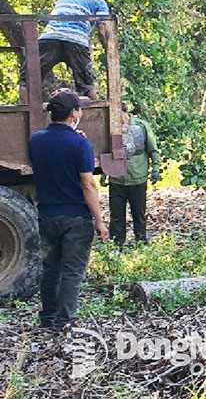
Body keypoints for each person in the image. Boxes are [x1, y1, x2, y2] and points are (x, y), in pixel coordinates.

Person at [28, 89, 109, 329]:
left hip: (46, 216)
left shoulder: (35, 140)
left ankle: (48, 318)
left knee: (50, 269)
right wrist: (99, 220)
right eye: (79, 109)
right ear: (74, 113)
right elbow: (87, 184)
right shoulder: (80, 144)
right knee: (72, 272)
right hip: (76, 218)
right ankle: (64, 322)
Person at [35, 0, 112, 100]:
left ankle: (25, 110)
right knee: (87, 84)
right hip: (76, 40)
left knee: (29, 78)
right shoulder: (99, 2)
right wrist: (109, 50)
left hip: (50, 37)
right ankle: (96, 112)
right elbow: (102, 31)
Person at [102, 106, 160, 245]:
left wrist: (156, 167)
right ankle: (117, 243)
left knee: (138, 212)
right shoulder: (110, 127)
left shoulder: (141, 126)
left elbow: (152, 148)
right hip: (117, 177)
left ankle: (140, 240)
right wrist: (104, 174)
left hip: (137, 175)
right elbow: (105, 150)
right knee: (116, 215)